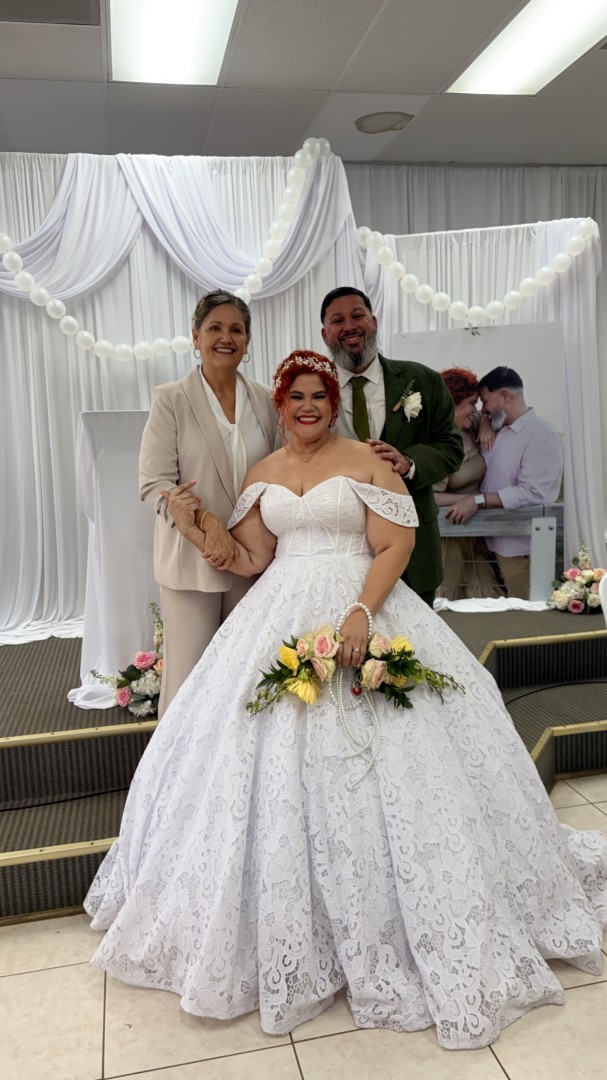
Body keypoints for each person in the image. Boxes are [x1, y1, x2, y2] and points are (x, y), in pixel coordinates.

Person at [85, 352, 607, 1052]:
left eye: (318, 395)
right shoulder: (262, 473)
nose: (307, 406)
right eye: (295, 396)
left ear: (333, 403)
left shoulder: (367, 459)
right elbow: (248, 558)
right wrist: (194, 521)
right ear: (280, 406)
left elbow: (395, 544)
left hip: (365, 604)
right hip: (276, 613)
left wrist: (361, 613)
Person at [139, 289, 277, 715]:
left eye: (236, 329)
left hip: (252, 564)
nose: (226, 337)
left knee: (243, 680)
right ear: (196, 337)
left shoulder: (267, 400)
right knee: (188, 683)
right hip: (192, 562)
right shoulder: (171, 399)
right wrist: (206, 522)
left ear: (248, 341)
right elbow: (154, 483)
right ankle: (175, 760)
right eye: (215, 328)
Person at [320, 287, 464, 607]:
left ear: (373, 322)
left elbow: (451, 446)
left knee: (415, 639)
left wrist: (410, 463)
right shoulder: (312, 388)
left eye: (358, 316)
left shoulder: (422, 380)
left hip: (413, 549)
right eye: (337, 320)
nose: (349, 326)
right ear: (325, 333)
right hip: (339, 550)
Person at [445, 366, 563, 600]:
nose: (483, 409)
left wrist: (477, 501)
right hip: (488, 543)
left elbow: (533, 493)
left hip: (518, 548)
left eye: (486, 401)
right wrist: (485, 422)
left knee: (523, 613)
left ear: (505, 396)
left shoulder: (541, 434)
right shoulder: (496, 427)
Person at [433, 367, 502, 599]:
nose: (476, 409)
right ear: (451, 403)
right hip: (450, 536)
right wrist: (472, 499)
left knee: (487, 596)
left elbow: (488, 415)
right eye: (471, 403)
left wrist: (484, 424)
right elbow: (431, 496)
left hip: (477, 532)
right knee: (448, 599)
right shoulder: (438, 443)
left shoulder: (470, 425)